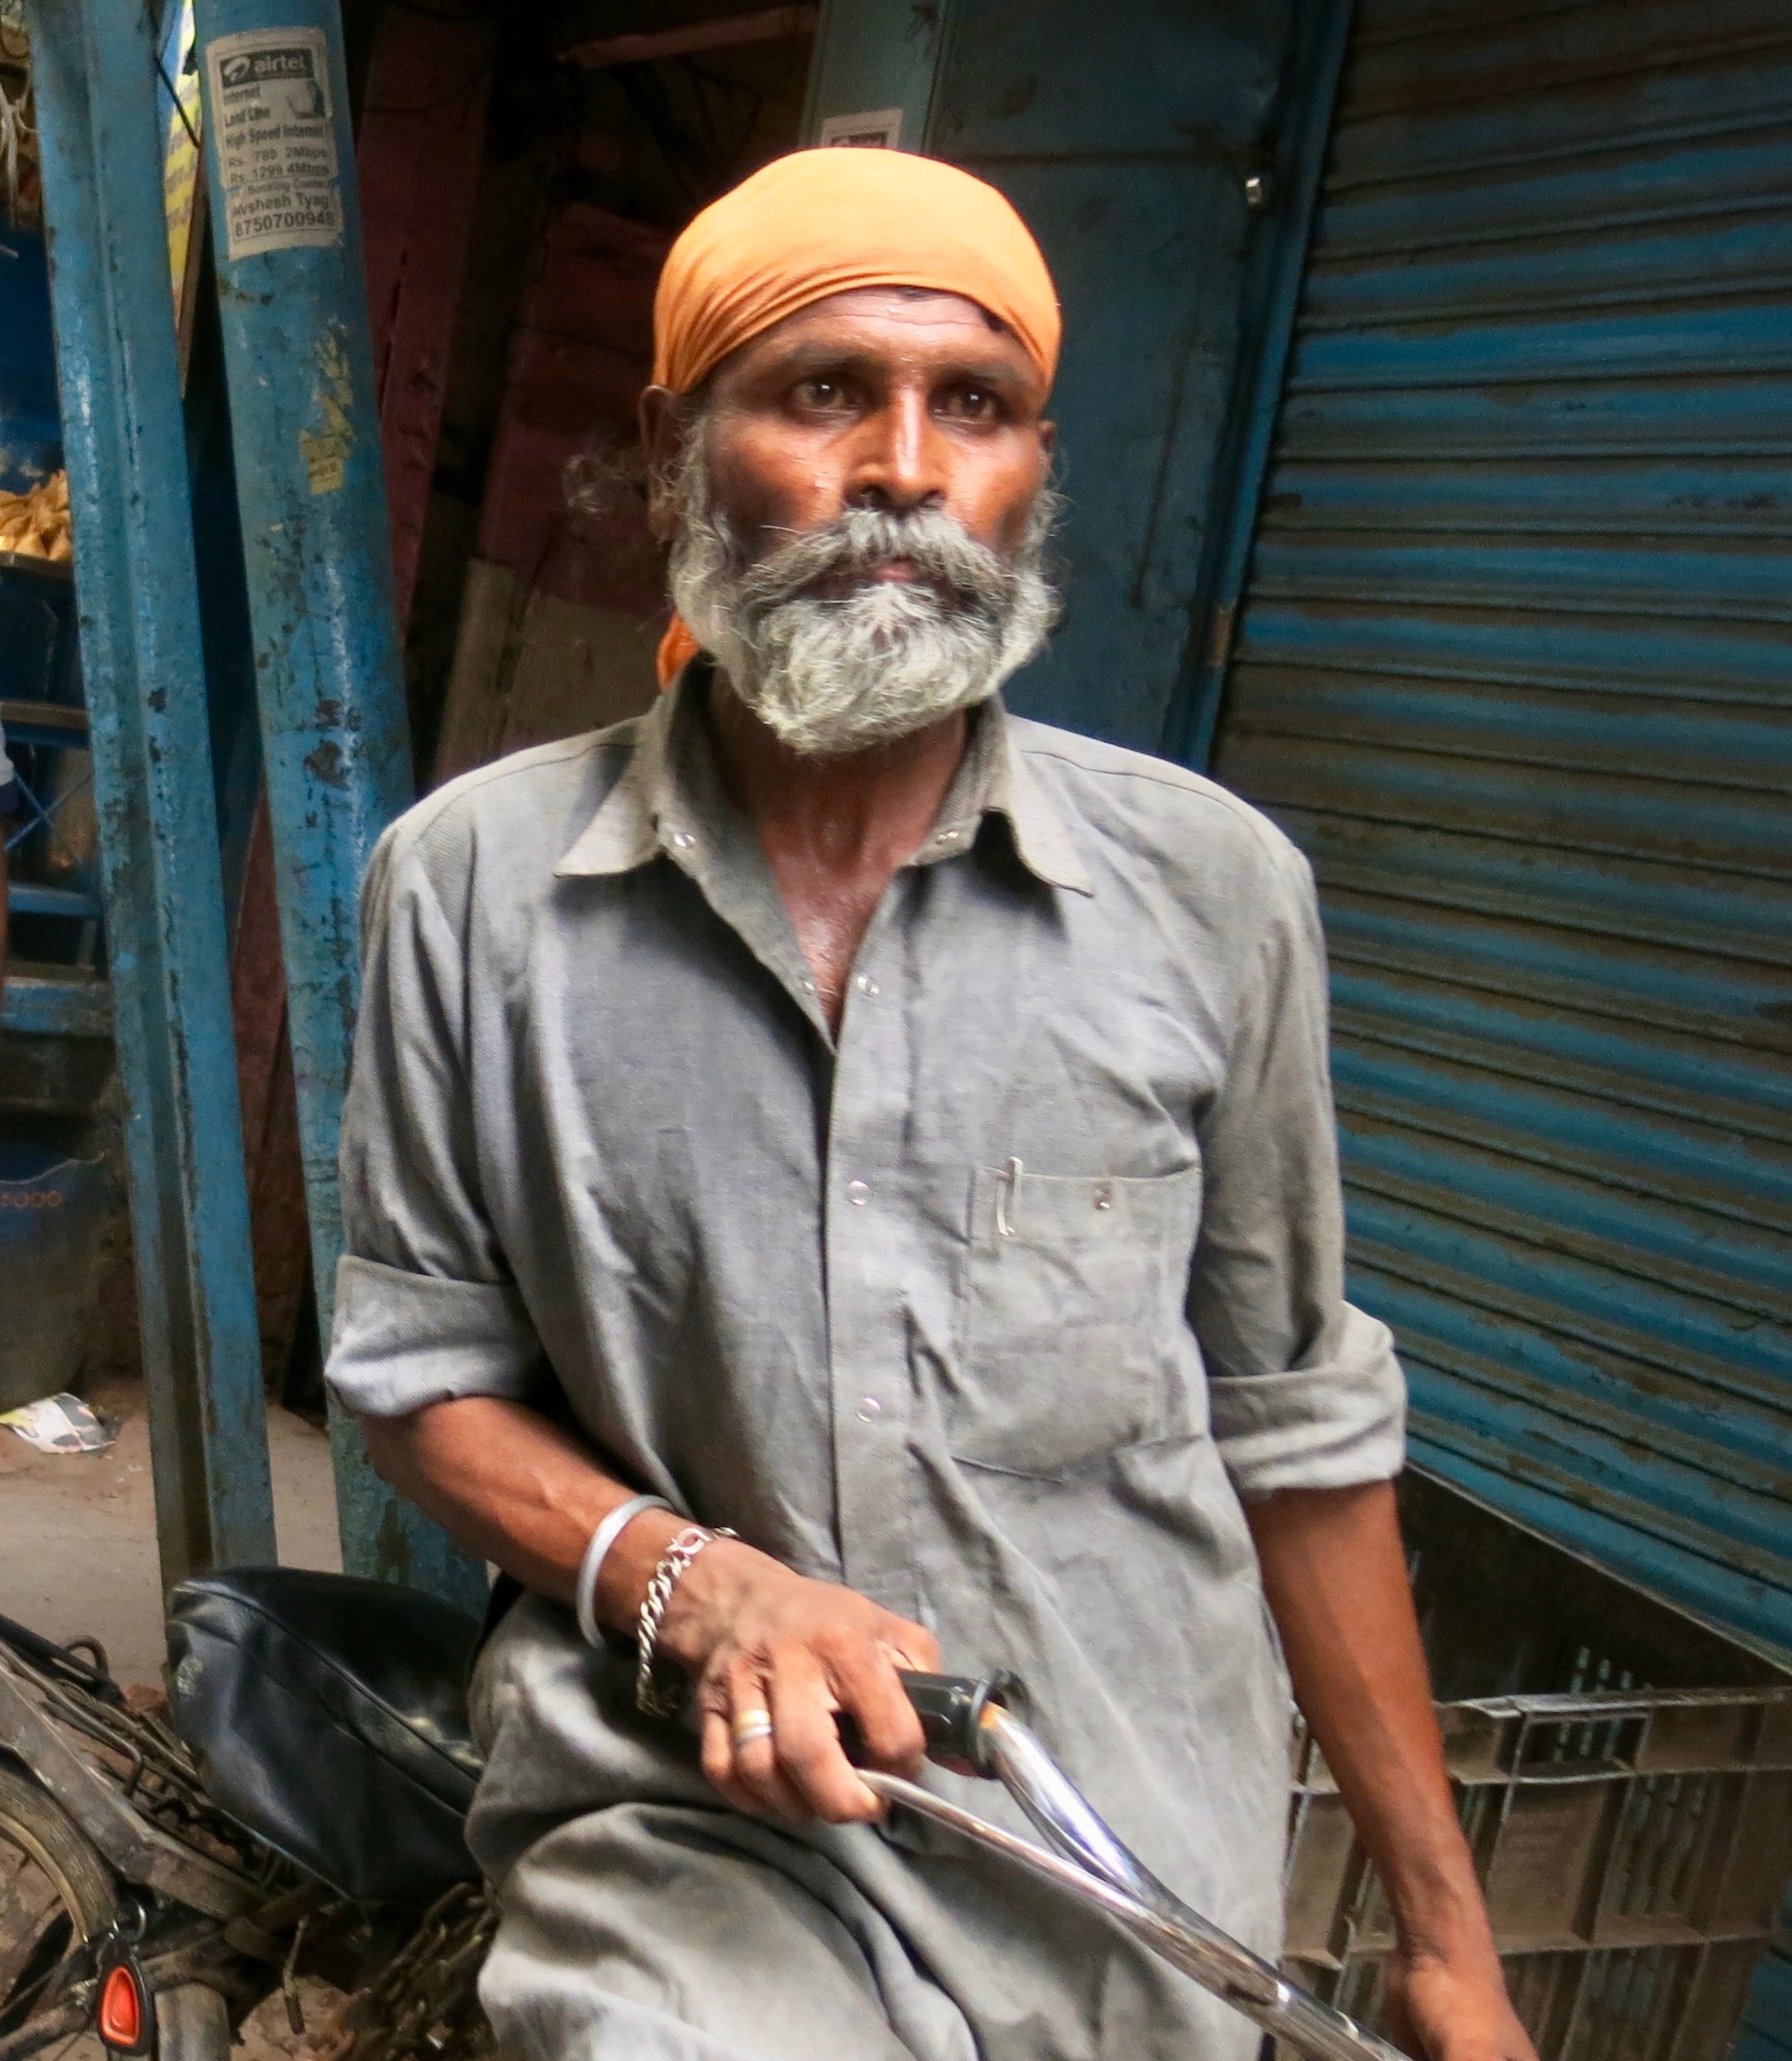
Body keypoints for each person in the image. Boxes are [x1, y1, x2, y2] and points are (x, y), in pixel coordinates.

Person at [326, 149, 1537, 2061]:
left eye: (967, 407)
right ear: (674, 442)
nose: (900, 464)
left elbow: (1298, 1428)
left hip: (1122, 1852)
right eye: (820, 392)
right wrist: (694, 1581)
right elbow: (413, 1372)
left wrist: (1448, 1946)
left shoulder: (1212, 892)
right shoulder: (469, 886)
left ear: (1029, 471)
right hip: (695, 1823)